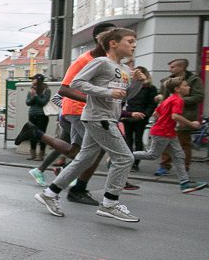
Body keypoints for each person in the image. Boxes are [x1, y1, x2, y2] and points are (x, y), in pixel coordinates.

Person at [33, 27, 142, 222]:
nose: (134, 45)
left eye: (135, 41)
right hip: (98, 117)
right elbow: (76, 83)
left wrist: (137, 84)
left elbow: (124, 97)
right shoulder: (101, 62)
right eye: (130, 41)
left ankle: (49, 193)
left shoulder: (125, 70)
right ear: (113, 43)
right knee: (125, 158)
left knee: (84, 159)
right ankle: (110, 203)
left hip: (109, 116)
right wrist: (106, 93)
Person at [24, 21, 116, 195]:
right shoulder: (85, 60)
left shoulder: (105, 61)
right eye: (112, 35)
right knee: (93, 151)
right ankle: (75, 186)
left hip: (80, 112)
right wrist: (95, 98)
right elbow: (63, 90)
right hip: (76, 112)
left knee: (74, 149)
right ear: (100, 38)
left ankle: (55, 174)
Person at [132, 77, 208, 193]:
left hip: (167, 132)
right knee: (152, 155)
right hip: (163, 132)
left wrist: (167, 121)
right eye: (185, 85)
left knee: (179, 156)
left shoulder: (168, 99)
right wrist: (191, 124)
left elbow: (156, 113)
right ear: (177, 89)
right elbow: (175, 116)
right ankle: (122, 156)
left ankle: (185, 183)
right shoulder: (178, 100)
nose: (188, 87)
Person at [155, 58, 205, 177]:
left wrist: (178, 101)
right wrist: (160, 97)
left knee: (183, 143)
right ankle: (164, 166)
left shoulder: (193, 80)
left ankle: (184, 169)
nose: (170, 69)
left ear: (182, 67)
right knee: (166, 143)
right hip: (168, 117)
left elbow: (198, 96)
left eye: (173, 67)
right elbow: (163, 95)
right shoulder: (168, 80)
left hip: (185, 115)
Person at [121, 66, 157, 171]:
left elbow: (152, 104)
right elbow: (123, 100)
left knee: (138, 140)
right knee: (128, 140)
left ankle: (135, 163)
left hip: (140, 117)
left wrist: (145, 115)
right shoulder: (129, 86)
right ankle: (128, 162)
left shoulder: (150, 88)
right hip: (128, 115)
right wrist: (124, 114)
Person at [24, 74, 51, 161]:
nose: (32, 81)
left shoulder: (46, 90)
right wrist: (33, 97)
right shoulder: (31, 90)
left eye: (34, 79)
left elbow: (43, 102)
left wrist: (35, 96)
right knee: (32, 134)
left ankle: (41, 155)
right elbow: (28, 102)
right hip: (32, 114)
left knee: (42, 135)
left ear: (39, 80)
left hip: (42, 115)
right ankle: (33, 154)